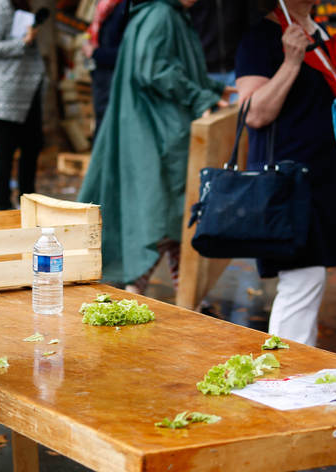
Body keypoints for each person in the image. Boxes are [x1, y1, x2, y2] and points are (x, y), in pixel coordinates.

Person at [79, 0, 234, 294]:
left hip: (155, 127)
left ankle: (181, 298)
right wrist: (200, 97)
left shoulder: (166, 13)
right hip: (157, 131)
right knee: (163, 216)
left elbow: (171, 64)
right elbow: (154, 69)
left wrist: (211, 90)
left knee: (172, 218)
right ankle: (142, 290)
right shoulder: (161, 14)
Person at [235, 0, 336, 346]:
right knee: (302, 278)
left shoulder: (319, 31)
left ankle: (289, 373)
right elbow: (253, 114)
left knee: (308, 278)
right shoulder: (262, 37)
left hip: (318, 180)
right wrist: (291, 62)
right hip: (285, 183)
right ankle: (286, 376)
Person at [0, 0, 46, 211]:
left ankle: (28, 202)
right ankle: (3, 206)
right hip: (3, 94)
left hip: (26, 90)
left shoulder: (19, 4)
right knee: (6, 149)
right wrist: (24, 41)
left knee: (32, 146)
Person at [82, 0, 126, 138]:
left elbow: (127, 53)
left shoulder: (124, 8)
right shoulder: (104, 8)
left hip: (114, 81)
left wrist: (95, 53)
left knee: (109, 130)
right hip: (102, 79)